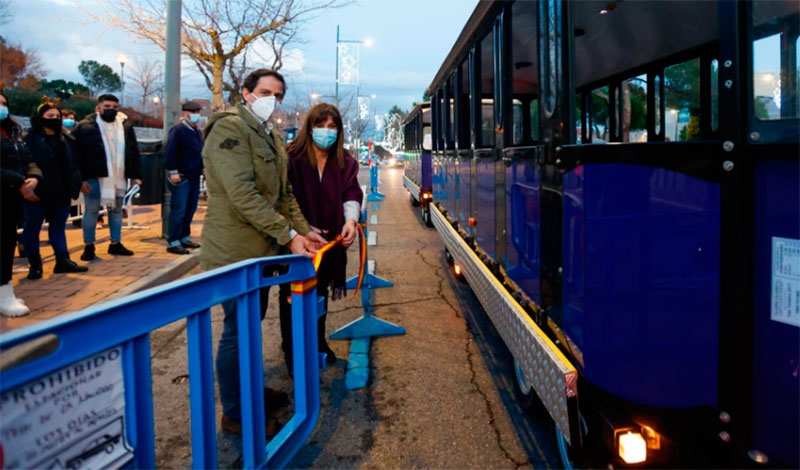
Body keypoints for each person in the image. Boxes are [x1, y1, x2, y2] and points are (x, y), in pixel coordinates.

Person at [201, 68, 326, 436]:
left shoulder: (269, 135)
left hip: (262, 252)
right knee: (238, 332)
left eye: (278, 94)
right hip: (235, 253)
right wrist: (289, 237)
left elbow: (283, 195)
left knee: (250, 326)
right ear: (246, 92)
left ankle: (249, 390)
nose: (271, 99)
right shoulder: (229, 128)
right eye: (264, 91)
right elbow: (242, 196)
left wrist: (305, 230)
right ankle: (237, 414)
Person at [280, 103, 363, 373]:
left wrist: (350, 220)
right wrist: (300, 229)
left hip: (329, 243)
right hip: (298, 242)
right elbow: (283, 198)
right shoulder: (291, 157)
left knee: (321, 291)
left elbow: (351, 192)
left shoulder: (345, 161)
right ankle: (293, 356)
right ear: (309, 128)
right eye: (320, 126)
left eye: (332, 127)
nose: (326, 132)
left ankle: (318, 342)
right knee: (292, 295)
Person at [21, 97, 88, 280]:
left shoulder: (66, 138)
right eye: (49, 115)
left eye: (57, 116)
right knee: (32, 229)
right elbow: (25, 163)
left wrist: (77, 182)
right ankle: (35, 265)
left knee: (58, 228)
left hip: (62, 192)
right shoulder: (29, 139)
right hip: (38, 192)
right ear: (39, 117)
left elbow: (73, 164)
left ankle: (62, 260)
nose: (54, 118)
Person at [72, 94, 142, 261]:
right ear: (98, 108)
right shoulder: (84, 127)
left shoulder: (125, 126)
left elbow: (133, 151)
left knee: (117, 210)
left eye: (114, 107)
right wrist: (80, 179)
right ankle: (89, 246)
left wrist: (137, 176)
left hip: (119, 176)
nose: (111, 110)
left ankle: (115, 243)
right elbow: (75, 154)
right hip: (94, 176)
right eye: (107, 106)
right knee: (92, 211)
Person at [0, 89, 42, 317]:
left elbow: (27, 159)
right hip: (9, 190)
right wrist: (19, 182)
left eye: (3, 103)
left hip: (10, 200)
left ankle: (4, 292)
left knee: (6, 246)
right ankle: (5, 295)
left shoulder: (13, 132)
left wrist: (33, 178)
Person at [164, 101, 204, 255]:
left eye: (197, 112)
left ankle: (184, 237)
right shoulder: (178, 130)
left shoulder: (197, 132)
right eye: (191, 112)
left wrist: (203, 169)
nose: (195, 115)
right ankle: (173, 241)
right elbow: (170, 151)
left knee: (190, 209)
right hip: (181, 176)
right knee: (179, 209)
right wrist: (173, 171)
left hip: (194, 175)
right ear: (184, 114)